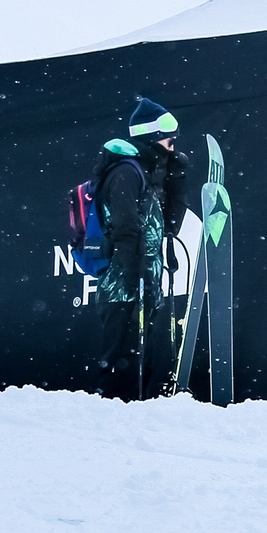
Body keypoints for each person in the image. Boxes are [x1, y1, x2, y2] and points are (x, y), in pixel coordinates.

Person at [92, 96, 191, 401]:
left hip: (145, 274)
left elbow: (167, 223)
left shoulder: (151, 173)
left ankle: (137, 403)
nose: (173, 144)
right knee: (121, 347)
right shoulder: (126, 172)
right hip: (123, 280)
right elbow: (125, 225)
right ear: (151, 136)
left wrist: (178, 178)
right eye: (167, 139)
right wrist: (131, 266)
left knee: (143, 346)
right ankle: (109, 403)